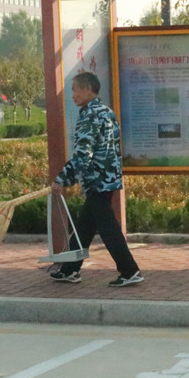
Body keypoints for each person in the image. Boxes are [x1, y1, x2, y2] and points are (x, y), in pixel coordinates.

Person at [48, 72, 144, 288]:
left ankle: (130, 271)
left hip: (97, 181)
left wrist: (62, 179)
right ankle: (70, 270)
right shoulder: (107, 112)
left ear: (88, 90)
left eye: (75, 89)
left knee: (108, 228)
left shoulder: (90, 115)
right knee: (85, 226)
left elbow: (83, 154)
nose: (73, 95)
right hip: (108, 178)